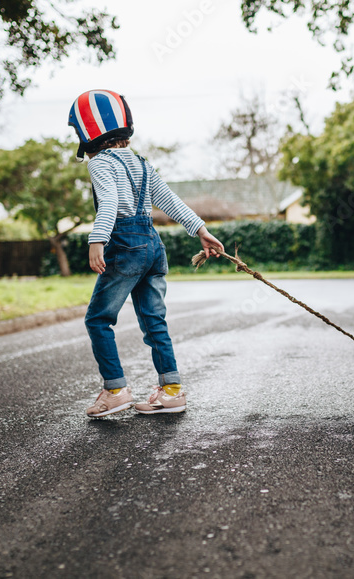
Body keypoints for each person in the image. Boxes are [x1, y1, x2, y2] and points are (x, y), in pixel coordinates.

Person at [67, 89, 224, 418]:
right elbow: (169, 201)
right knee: (155, 321)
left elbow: (109, 203)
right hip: (152, 245)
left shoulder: (100, 164)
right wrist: (201, 230)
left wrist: (97, 240)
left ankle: (115, 390)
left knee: (98, 319)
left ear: (88, 130)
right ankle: (171, 391)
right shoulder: (141, 163)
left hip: (125, 247)